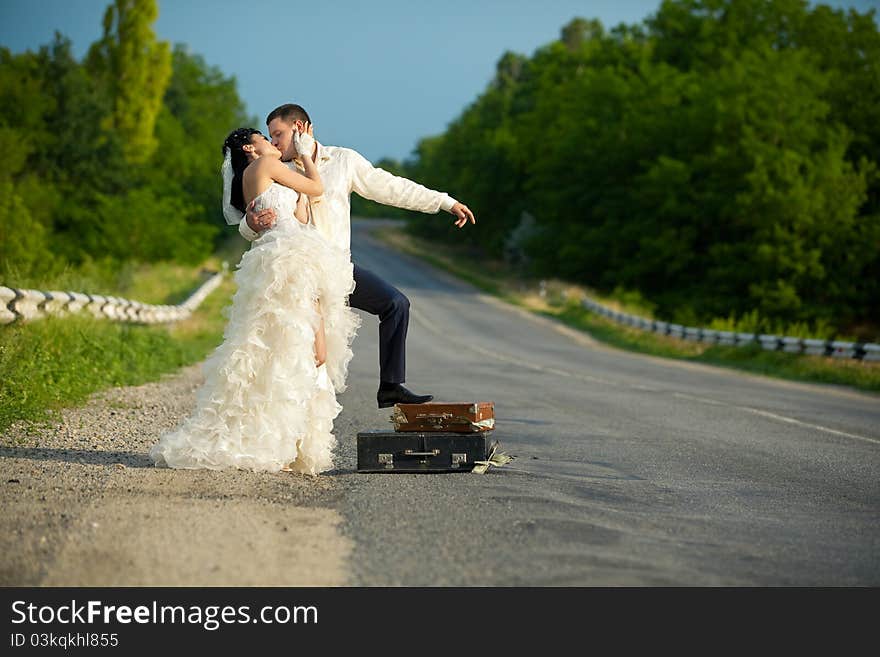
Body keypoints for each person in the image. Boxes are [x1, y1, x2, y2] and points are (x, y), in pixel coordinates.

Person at [149, 127, 360, 475]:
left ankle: (283, 439)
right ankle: (270, 440)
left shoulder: (270, 174)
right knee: (301, 350)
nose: (272, 143)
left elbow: (304, 212)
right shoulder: (262, 168)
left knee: (295, 352)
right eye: (266, 138)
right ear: (251, 147)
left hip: (295, 260)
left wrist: (298, 187)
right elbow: (318, 187)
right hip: (286, 263)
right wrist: (306, 153)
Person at [241, 104, 476, 409]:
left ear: (300, 127)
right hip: (296, 276)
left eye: (279, 135)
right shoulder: (275, 168)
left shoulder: (342, 160)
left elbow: (391, 187)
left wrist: (444, 202)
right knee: (306, 365)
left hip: (336, 271)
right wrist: (249, 225)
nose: (274, 143)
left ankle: (391, 385)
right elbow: (249, 216)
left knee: (395, 303)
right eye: (270, 137)